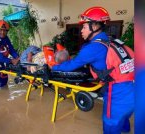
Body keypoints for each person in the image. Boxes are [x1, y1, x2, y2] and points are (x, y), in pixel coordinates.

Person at [51, 6, 134, 134]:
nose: (81, 31)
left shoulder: (93, 47)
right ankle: (125, 130)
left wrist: (53, 67)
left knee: (111, 123)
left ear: (94, 27)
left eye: (84, 27)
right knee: (123, 118)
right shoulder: (112, 41)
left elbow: (72, 64)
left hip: (119, 92)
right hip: (135, 87)